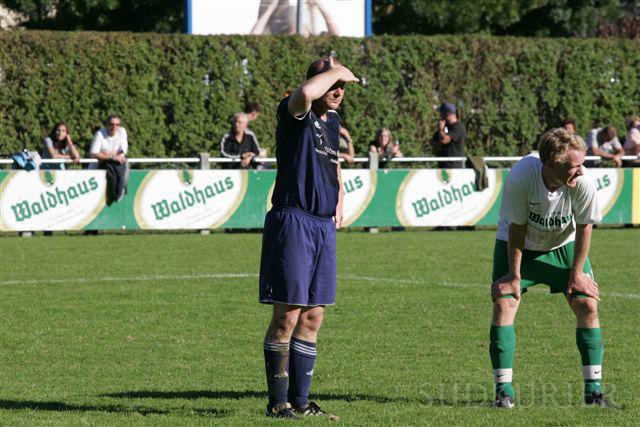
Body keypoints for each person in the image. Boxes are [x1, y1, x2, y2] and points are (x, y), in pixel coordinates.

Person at [258, 56, 358, 418]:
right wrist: (334, 71)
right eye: (332, 84)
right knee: (288, 314)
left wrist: (340, 195)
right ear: (317, 83)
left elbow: (333, 163)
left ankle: (300, 402)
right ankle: (278, 402)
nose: (339, 91)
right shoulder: (294, 111)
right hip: (294, 221)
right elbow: (304, 92)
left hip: (321, 225)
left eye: (343, 86)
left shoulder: (332, 122)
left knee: (313, 315)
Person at [489, 128, 614, 409]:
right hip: (519, 246)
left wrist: (577, 274)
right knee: (504, 305)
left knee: (587, 305)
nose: (581, 171)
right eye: (574, 166)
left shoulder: (584, 183)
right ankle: (504, 394)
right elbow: (517, 230)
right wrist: (513, 276)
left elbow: (584, 228)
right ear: (551, 164)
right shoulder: (521, 177)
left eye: (582, 164)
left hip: (563, 246)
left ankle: (594, 394)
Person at [90, 115, 128, 203]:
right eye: (111, 124)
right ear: (107, 125)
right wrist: (112, 156)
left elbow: (123, 151)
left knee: (122, 169)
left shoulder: (122, 131)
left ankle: (118, 192)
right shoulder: (100, 134)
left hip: (117, 162)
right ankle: (115, 194)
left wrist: (105, 153)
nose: (114, 127)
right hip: (99, 166)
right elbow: (94, 153)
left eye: (117, 124)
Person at [430, 102, 466, 168]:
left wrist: (441, 129)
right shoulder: (445, 127)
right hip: (443, 165)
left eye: (441, 112)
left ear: (448, 113)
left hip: (454, 166)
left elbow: (445, 140)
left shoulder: (458, 127)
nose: (440, 115)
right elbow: (434, 141)